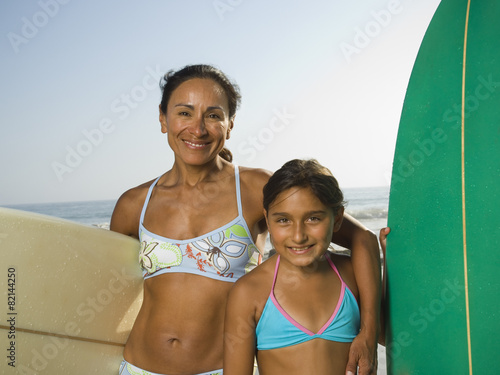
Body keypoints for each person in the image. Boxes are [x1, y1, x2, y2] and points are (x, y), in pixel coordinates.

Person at [111, 64, 381, 375]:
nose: (197, 129)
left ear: (230, 124)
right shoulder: (134, 204)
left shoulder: (255, 189)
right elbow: (112, 293)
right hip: (137, 367)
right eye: (184, 113)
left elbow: (361, 239)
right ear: (163, 118)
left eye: (213, 115)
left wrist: (368, 333)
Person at [224, 159, 366, 374]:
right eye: (283, 220)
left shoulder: (352, 275)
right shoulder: (249, 292)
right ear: (268, 220)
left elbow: (396, 339)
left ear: (337, 219)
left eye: (313, 218)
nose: (298, 236)